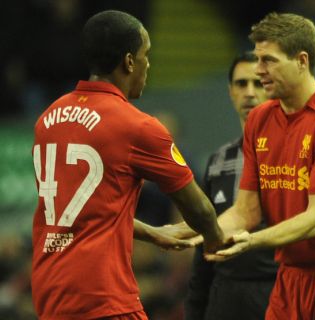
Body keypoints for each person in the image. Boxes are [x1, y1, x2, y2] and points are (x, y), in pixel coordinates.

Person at [171, 12, 315, 319]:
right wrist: (194, 232)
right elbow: (247, 211)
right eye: (258, 60)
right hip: (291, 273)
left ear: (301, 60)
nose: (259, 72)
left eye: (268, 60)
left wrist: (251, 240)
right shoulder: (259, 119)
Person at [31, 10, 225, 320]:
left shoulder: (48, 119)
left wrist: (152, 233)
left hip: (50, 290)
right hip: (103, 296)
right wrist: (218, 242)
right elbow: (199, 209)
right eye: (146, 54)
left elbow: (86, 209)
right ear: (130, 61)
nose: (149, 64)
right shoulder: (137, 126)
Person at [184, 52, 278, 320]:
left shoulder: (292, 154)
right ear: (230, 91)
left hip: (276, 290)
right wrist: (194, 308)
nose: (249, 93)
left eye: (258, 84)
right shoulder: (218, 161)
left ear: (273, 89)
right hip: (225, 295)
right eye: (241, 84)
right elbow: (206, 238)